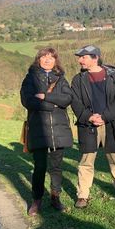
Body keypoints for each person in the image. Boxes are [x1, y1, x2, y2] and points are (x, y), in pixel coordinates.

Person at [71, 45, 115, 208]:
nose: (80, 60)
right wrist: (89, 117)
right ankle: (83, 195)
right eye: (80, 57)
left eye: (83, 57)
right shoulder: (78, 80)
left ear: (95, 58)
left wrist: (104, 117)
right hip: (88, 125)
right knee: (86, 160)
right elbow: (75, 102)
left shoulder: (114, 77)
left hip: (111, 123)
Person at [20, 47, 73, 216]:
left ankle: (55, 196)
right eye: (44, 57)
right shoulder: (30, 78)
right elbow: (28, 101)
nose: (48, 60)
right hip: (39, 129)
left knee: (56, 167)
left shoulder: (62, 79)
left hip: (59, 129)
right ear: (38, 59)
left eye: (51, 57)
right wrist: (53, 105)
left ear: (56, 61)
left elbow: (67, 99)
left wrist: (46, 97)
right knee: (40, 167)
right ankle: (37, 200)